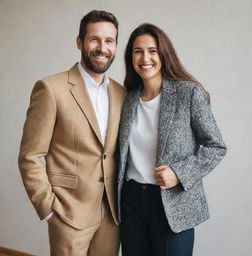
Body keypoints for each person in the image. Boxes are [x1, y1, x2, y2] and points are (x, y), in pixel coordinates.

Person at [18, 10, 125, 256]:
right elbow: (30, 156)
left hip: (111, 217)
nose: (102, 47)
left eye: (109, 41)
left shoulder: (122, 95)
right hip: (68, 214)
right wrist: (49, 209)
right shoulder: (51, 89)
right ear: (79, 42)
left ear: (116, 46)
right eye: (94, 39)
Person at [117, 23, 227, 256]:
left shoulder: (189, 93)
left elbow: (216, 146)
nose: (145, 58)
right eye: (138, 51)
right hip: (131, 201)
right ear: (130, 57)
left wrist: (179, 173)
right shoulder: (127, 99)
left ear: (164, 54)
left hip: (172, 203)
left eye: (152, 50)